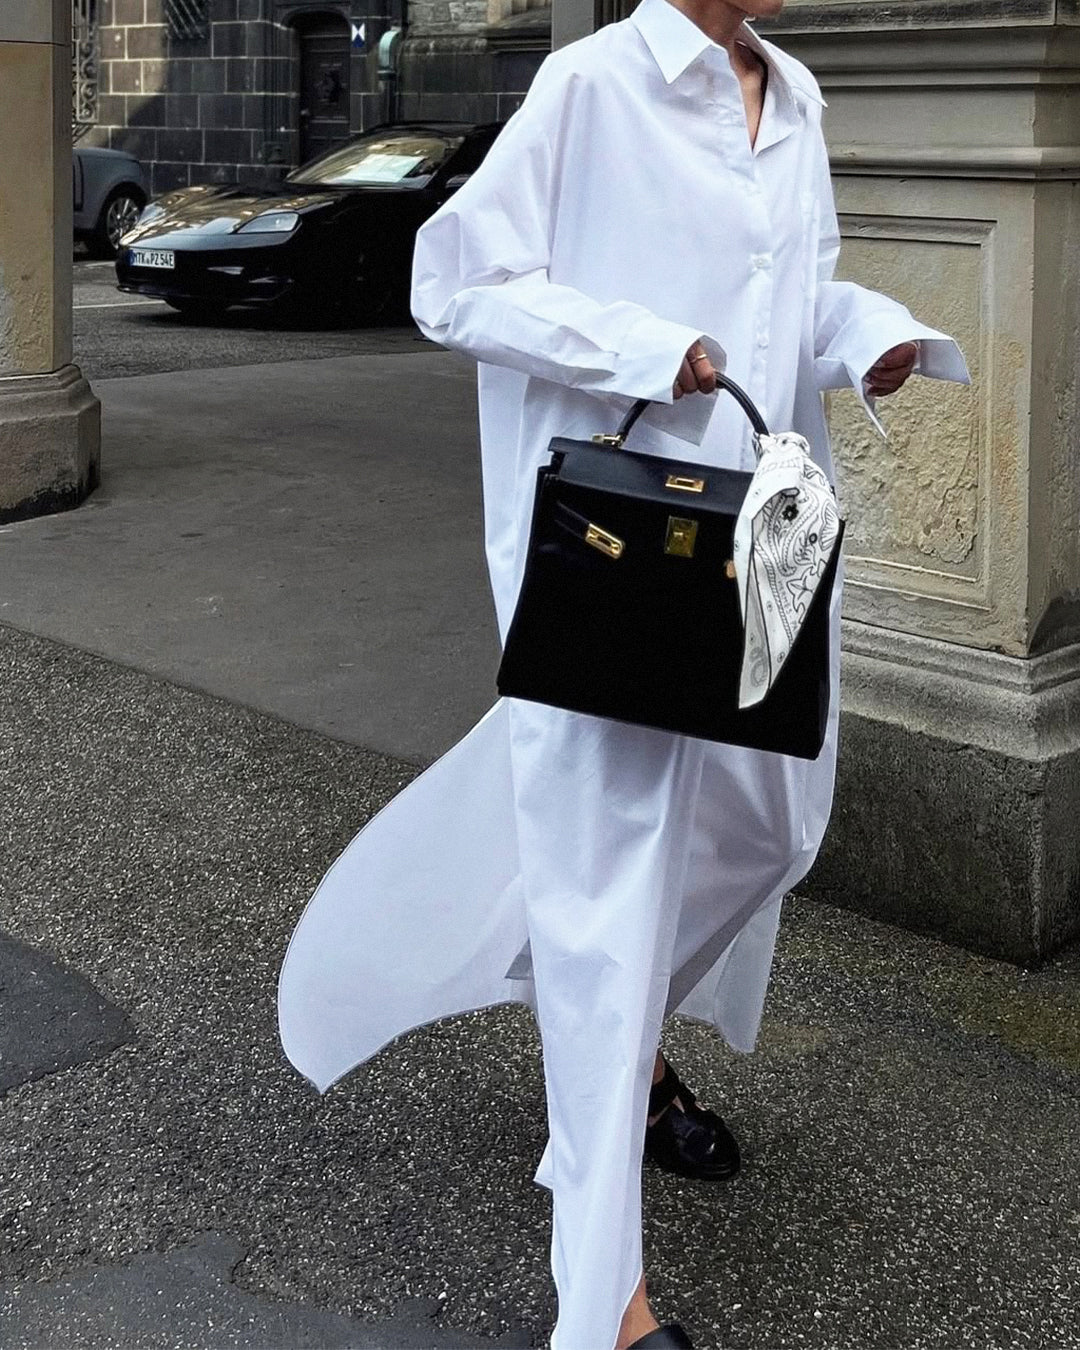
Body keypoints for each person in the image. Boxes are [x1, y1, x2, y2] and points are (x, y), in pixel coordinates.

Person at [278, 1, 970, 1346]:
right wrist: (646, 347)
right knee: (610, 898)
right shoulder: (591, 86)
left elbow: (798, 300)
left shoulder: (795, 97)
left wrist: (871, 333)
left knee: (774, 826)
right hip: (614, 562)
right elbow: (452, 280)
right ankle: (605, 1304)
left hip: (760, 557)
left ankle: (614, 1033)